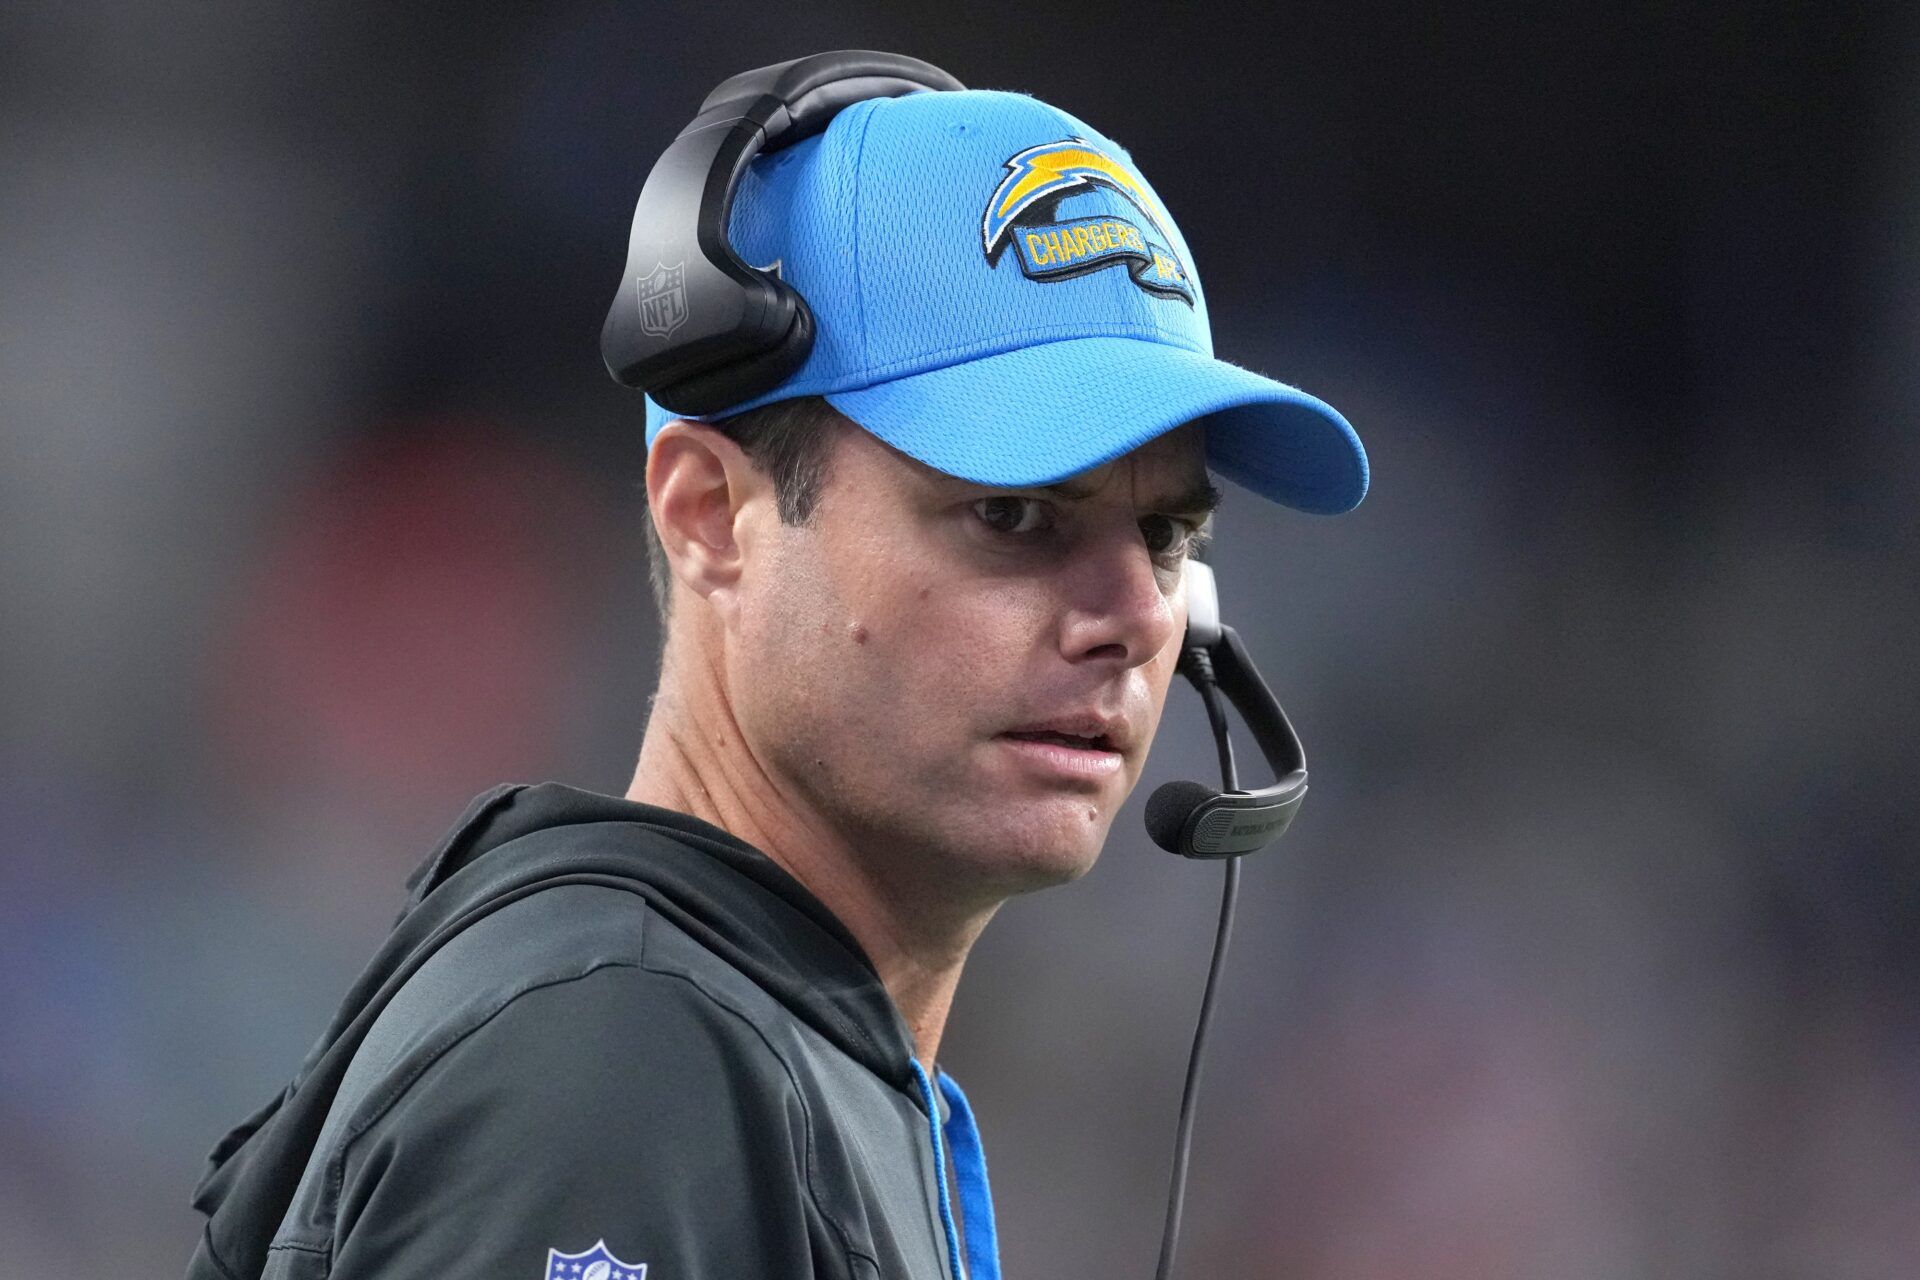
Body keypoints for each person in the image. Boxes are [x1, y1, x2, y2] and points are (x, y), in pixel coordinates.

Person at [183, 60, 1367, 1280]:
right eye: (1014, 516)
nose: (1132, 612)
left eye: (1168, 535)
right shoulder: (618, 1068)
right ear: (709, 516)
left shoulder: (759, 1054)